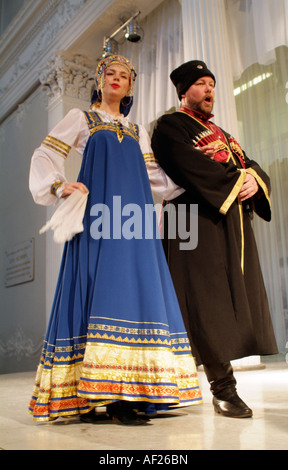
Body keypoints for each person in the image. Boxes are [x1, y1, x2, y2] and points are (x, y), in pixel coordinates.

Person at [28, 55, 202, 426]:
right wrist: (60, 185)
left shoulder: (137, 130)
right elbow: (45, 154)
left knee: (135, 292)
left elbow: (158, 180)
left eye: (124, 76)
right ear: (100, 79)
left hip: (135, 224)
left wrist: (198, 176)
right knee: (96, 290)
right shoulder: (83, 119)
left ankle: (131, 392)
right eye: (111, 73)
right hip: (99, 219)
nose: (117, 79)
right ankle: (94, 395)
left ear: (130, 86)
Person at [151, 60, 278, 418]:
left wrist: (254, 179)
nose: (210, 90)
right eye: (202, 84)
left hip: (225, 222)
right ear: (184, 91)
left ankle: (212, 384)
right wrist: (237, 176)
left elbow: (249, 165)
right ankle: (222, 388)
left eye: (212, 84)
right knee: (202, 302)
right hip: (190, 222)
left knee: (224, 301)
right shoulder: (170, 126)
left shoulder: (222, 134)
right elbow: (188, 166)